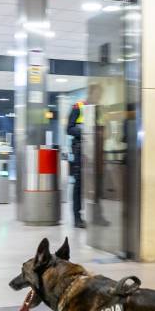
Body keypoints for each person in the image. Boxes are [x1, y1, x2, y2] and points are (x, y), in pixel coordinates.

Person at [66, 84, 100, 229]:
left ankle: (98, 215)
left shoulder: (98, 109)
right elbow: (69, 128)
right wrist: (85, 132)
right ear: (91, 93)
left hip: (95, 149)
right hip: (81, 149)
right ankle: (77, 217)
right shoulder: (78, 107)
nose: (98, 97)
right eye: (97, 94)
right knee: (79, 184)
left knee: (97, 183)